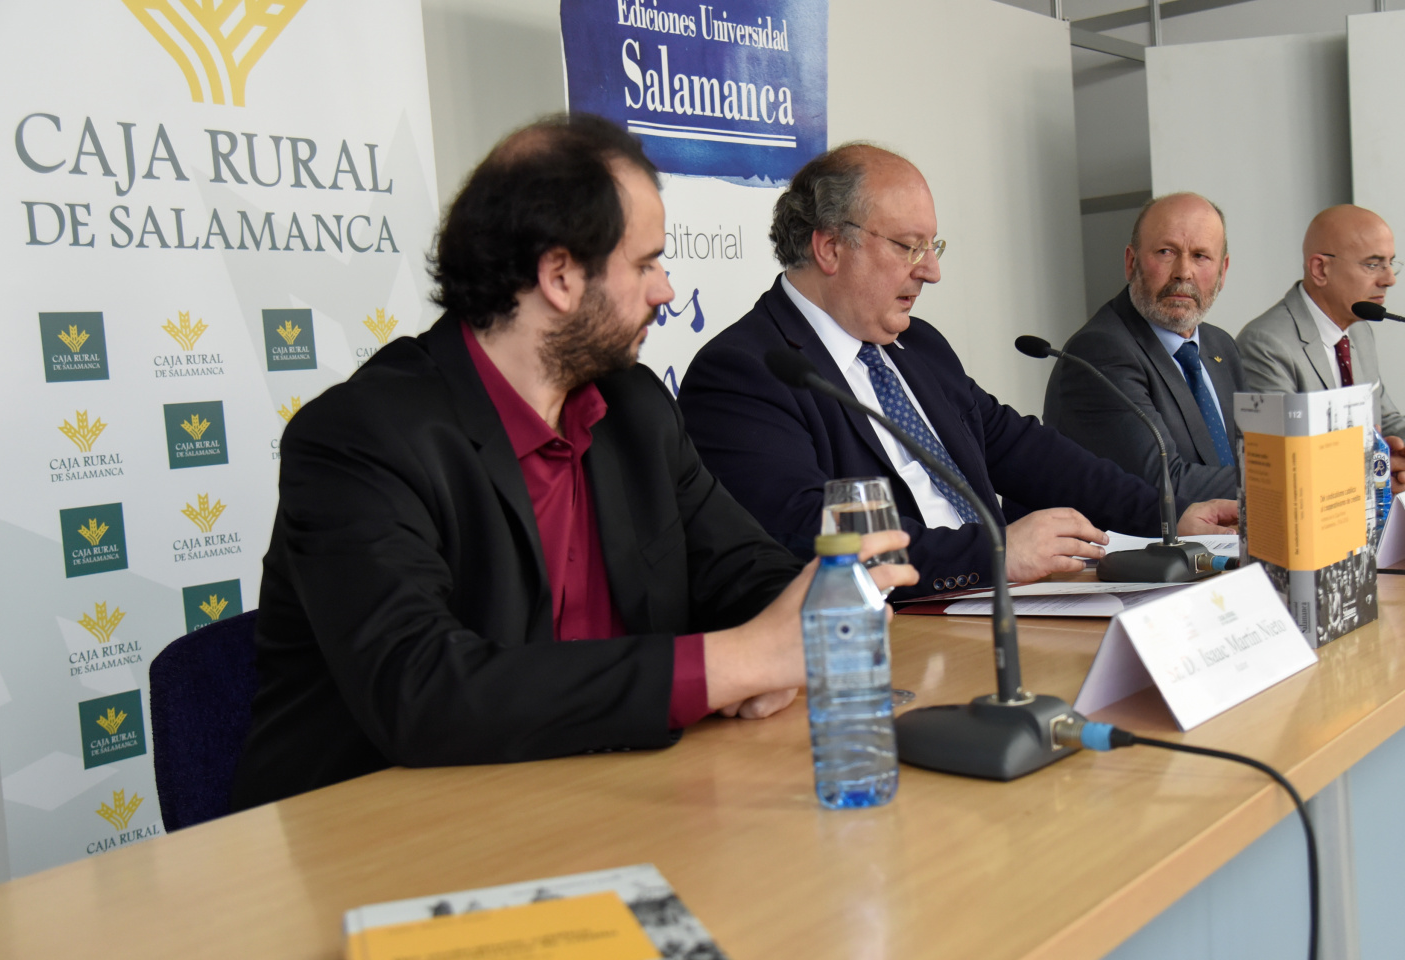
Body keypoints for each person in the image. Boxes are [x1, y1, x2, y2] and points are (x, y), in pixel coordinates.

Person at [231, 115, 915, 810]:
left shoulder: (634, 409)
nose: (666, 291)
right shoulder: (359, 438)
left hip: (604, 800)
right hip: (389, 836)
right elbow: (423, 690)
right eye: (646, 264)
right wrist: (733, 664)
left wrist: (803, 621)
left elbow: (745, 567)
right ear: (559, 274)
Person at [676, 144, 1236, 599]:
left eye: (932, 246)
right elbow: (807, 536)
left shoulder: (918, 346)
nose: (933, 271)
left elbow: (1022, 448)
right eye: (908, 246)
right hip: (902, 627)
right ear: (829, 248)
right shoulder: (743, 373)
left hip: (1000, 602)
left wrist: (1169, 514)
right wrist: (994, 554)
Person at [1236, 204, 1405, 482]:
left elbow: (1385, 425)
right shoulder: (1266, 344)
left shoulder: (1358, 330)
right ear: (1320, 269)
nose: (1389, 279)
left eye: (1390, 263)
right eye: (1373, 264)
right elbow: (1293, 457)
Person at [1043, 192, 1244, 504]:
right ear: (1131, 262)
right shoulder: (1100, 351)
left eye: (1201, 256)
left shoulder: (1221, 347)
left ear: (1223, 272)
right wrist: (1290, 478)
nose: (1183, 272)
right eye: (1166, 252)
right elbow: (1164, 484)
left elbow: (1247, 458)